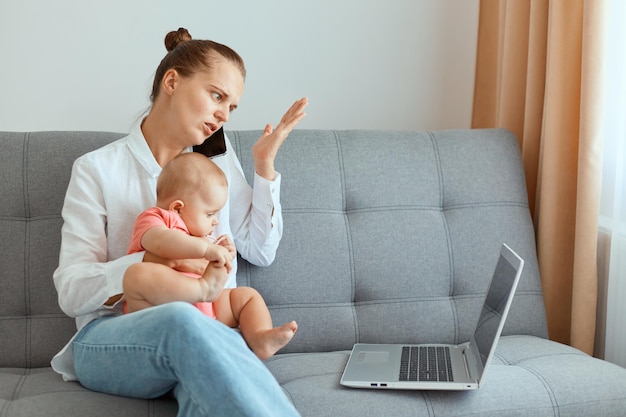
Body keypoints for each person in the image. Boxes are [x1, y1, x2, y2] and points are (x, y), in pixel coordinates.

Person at [52, 26, 307, 417]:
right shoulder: (97, 170)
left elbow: (261, 250)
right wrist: (154, 265)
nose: (224, 115)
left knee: (205, 385)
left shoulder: (216, 164)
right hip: (112, 336)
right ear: (172, 82)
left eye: (232, 107)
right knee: (179, 319)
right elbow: (71, 292)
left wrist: (264, 167)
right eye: (217, 96)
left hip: (206, 335)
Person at [123, 152, 298, 360]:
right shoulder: (158, 218)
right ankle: (202, 289)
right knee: (139, 274)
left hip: (209, 311)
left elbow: (218, 267)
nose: (215, 221)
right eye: (210, 214)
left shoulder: (204, 236)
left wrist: (224, 256)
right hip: (165, 309)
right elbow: (159, 241)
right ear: (177, 208)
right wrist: (205, 250)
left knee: (246, 296)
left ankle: (260, 338)